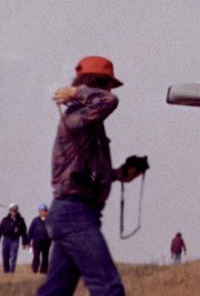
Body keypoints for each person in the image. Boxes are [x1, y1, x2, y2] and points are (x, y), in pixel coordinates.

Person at [38, 55, 145, 296]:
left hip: (75, 213)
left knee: (56, 291)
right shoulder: (77, 117)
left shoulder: (89, 123)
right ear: (93, 83)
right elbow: (109, 100)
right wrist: (78, 92)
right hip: (74, 213)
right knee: (108, 288)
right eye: (105, 83)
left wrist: (120, 174)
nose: (109, 89)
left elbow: (88, 173)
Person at [1, 204, 26, 274]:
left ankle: (11, 273)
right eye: (12, 210)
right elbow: (0, 231)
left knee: (13, 258)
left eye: (15, 210)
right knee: (5, 258)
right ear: (10, 211)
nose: (14, 212)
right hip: (6, 240)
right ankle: (6, 272)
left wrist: (24, 243)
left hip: (15, 240)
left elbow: (24, 232)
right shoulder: (5, 220)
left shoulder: (21, 220)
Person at [28, 205, 51, 274]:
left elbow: (54, 230)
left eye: (45, 210)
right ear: (39, 212)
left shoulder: (50, 220)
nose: (43, 212)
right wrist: (28, 241)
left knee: (45, 256)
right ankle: (34, 269)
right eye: (42, 210)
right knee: (36, 256)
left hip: (46, 241)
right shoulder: (35, 220)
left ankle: (43, 271)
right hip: (37, 241)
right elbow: (30, 231)